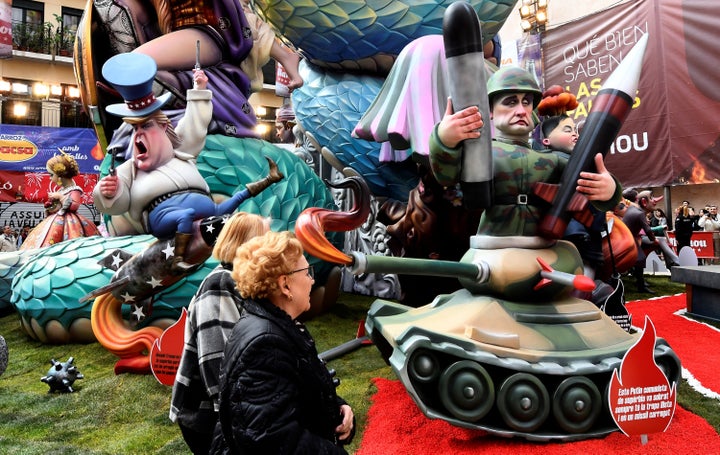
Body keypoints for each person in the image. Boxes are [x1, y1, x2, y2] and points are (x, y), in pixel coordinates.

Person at [428, 65, 622, 302]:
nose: (520, 110)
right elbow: (446, 174)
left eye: (526, 102)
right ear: (490, 110)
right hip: (492, 249)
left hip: (543, 252)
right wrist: (443, 140)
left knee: (569, 263)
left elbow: (586, 183)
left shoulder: (552, 160)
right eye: (510, 102)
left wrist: (609, 190)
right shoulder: (480, 153)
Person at [93, 53, 281, 272]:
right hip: (167, 219)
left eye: (146, 126)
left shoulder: (181, 151)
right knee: (186, 215)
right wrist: (107, 191)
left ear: (163, 127)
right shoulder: (130, 170)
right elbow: (118, 201)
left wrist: (199, 89)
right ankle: (178, 258)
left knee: (236, 209)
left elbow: (194, 122)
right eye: (135, 128)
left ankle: (267, 190)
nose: (138, 134)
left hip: (209, 212)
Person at [210, 231, 355, 453]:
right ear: (285, 285)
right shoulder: (266, 344)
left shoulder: (274, 324)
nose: (312, 280)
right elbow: (272, 439)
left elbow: (295, 391)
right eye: (307, 272)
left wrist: (338, 407)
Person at [169, 212, 271, 455]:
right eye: (267, 238)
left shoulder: (243, 281)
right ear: (247, 244)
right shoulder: (219, 284)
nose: (272, 246)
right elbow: (216, 361)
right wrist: (238, 416)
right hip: (207, 417)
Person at [20, 153, 100, 250]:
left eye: (51, 175)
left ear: (60, 176)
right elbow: (59, 207)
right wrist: (52, 206)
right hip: (56, 219)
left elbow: (74, 205)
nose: (50, 178)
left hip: (71, 223)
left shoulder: (75, 189)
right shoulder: (61, 190)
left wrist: (61, 197)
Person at [619, 190, 661, 293]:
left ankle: (640, 283)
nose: (654, 201)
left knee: (640, 259)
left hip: (626, 237)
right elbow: (648, 230)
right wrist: (654, 240)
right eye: (651, 198)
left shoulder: (632, 209)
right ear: (644, 202)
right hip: (628, 238)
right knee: (640, 258)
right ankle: (640, 285)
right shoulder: (639, 213)